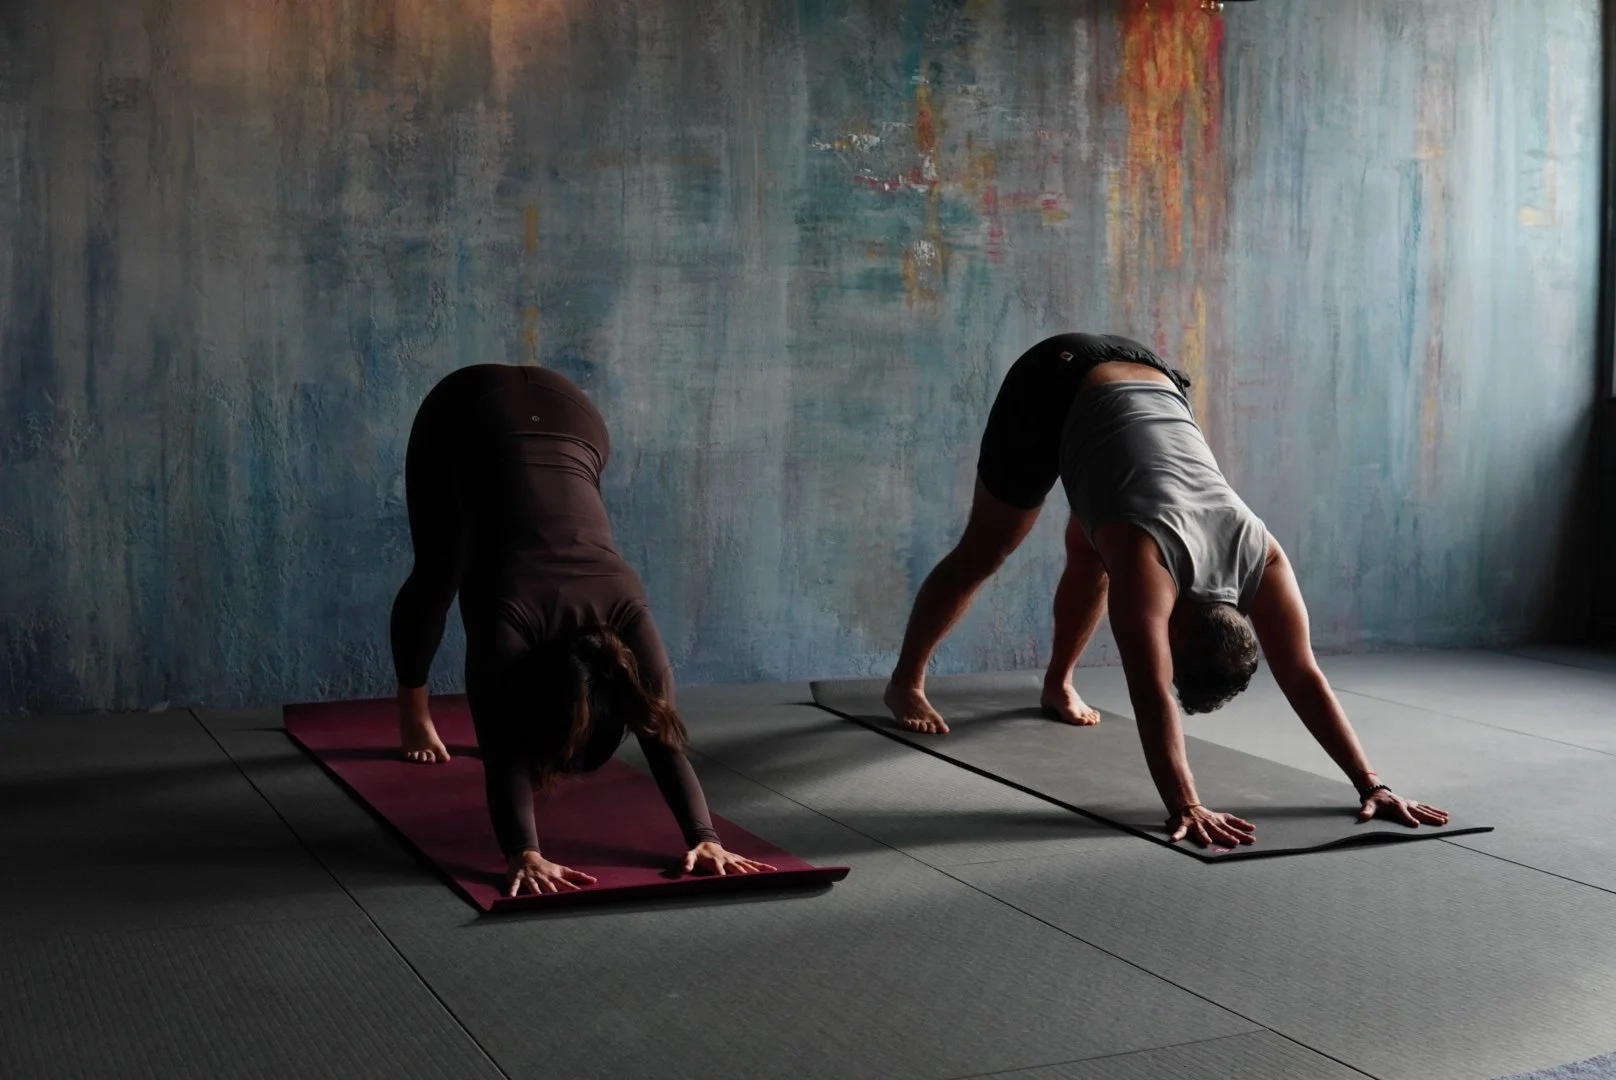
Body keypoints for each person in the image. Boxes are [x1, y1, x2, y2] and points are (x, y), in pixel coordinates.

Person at [883, 333, 1450, 848]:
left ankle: (1057, 684)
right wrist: (1187, 802)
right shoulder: (1150, 566)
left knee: (1093, 545)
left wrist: (1371, 784)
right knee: (991, 546)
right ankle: (905, 683)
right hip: (1055, 381)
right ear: (1175, 632)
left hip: (1150, 376)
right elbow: (1151, 693)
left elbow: (1304, 675)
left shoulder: (1262, 556)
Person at [389, 364, 774, 896]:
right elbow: (502, 753)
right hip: (465, 411)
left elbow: (660, 736)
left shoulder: (629, 636)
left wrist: (704, 837)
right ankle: (413, 709)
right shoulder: (504, 623)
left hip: (575, 416)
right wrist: (523, 852)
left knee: (488, 518)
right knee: (438, 573)